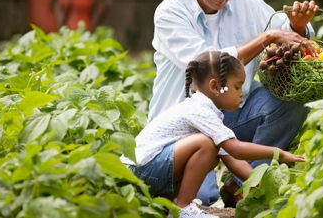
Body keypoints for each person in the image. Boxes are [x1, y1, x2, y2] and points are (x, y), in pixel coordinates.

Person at [149, 0, 319, 206]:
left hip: (232, 112)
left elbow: (283, 28)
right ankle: (172, 186)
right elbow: (206, 64)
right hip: (185, 127)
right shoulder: (170, 13)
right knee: (201, 198)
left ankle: (241, 188)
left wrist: (297, 27)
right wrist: (265, 38)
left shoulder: (245, 1)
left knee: (290, 101)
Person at [120, 51, 305, 218]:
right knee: (206, 144)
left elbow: (234, 161)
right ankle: (184, 209)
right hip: (137, 171)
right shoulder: (199, 110)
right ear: (215, 86)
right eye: (237, 87)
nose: (242, 93)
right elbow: (237, 150)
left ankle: (169, 208)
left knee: (212, 148)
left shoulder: (210, 114)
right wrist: (277, 153)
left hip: (146, 172)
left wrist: (269, 190)